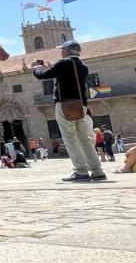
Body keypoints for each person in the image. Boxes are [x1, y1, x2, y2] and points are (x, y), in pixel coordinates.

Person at [32, 41, 105, 181]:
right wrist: (50, 67)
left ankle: (81, 171)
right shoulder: (83, 65)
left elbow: (42, 76)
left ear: (67, 50)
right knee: (84, 139)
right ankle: (97, 170)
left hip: (65, 104)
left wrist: (36, 68)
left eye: (62, 49)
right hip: (81, 105)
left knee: (70, 137)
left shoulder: (64, 63)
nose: (60, 52)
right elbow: (62, 75)